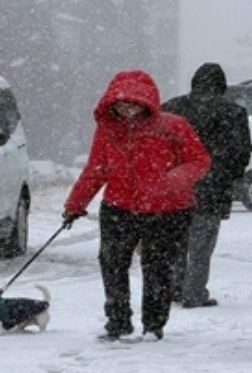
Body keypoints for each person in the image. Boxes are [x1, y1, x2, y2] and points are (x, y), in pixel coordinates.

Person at [62, 70, 211, 340]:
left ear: (146, 103)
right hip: (119, 206)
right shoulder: (107, 131)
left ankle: (153, 325)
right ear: (110, 104)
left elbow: (199, 160)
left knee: (158, 268)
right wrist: (75, 204)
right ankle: (118, 322)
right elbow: (96, 169)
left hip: (168, 210)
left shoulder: (173, 126)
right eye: (120, 104)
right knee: (112, 264)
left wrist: (174, 179)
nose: (126, 110)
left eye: (132, 104)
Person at [161, 63, 252, 308]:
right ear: (221, 85)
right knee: (202, 245)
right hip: (213, 187)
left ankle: (174, 287)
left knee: (175, 241)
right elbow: (241, 152)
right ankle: (194, 292)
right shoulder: (233, 112)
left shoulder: (172, 108)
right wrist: (229, 176)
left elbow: (157, 148)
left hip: (176, 185)